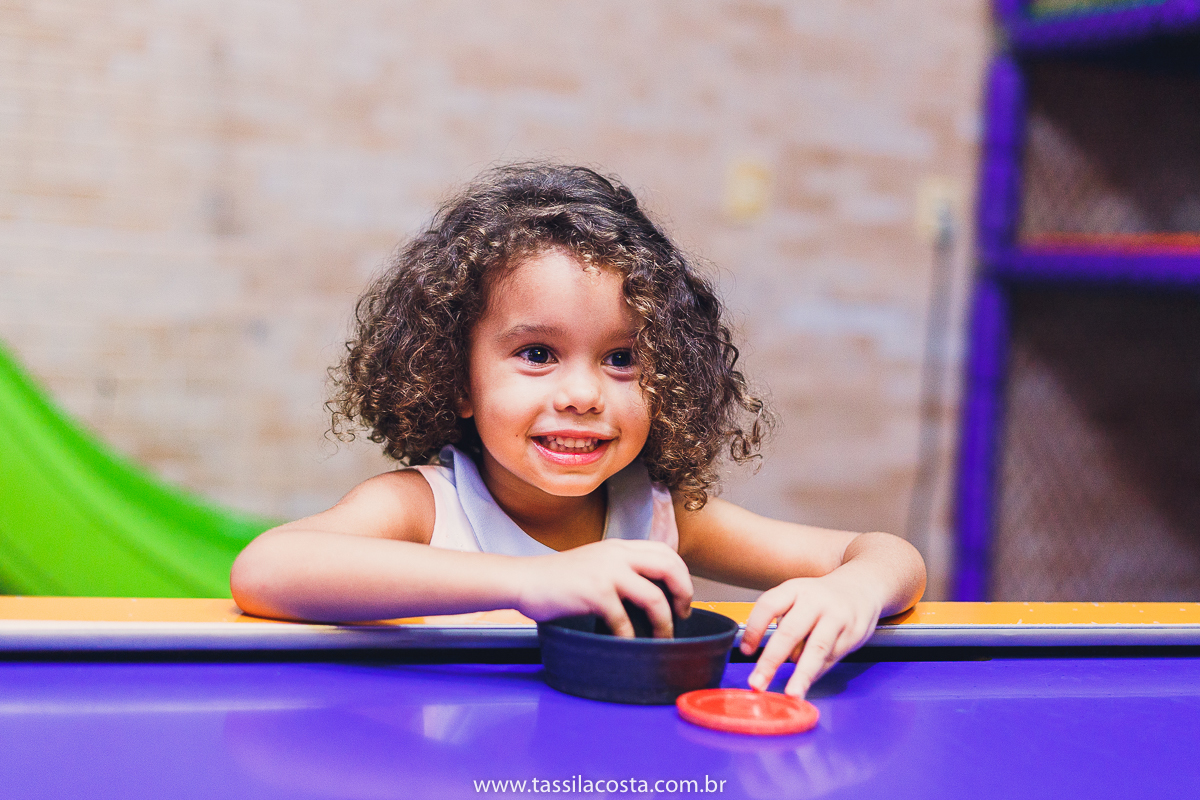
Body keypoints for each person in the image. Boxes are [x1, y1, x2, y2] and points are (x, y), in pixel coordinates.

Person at [231, 163, 925, 698]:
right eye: (537, 354)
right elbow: (266, 570)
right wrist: (529, 582)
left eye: (622, 359)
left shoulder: (658, 514)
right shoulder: (422, 507)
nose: (585, 394)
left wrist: (854, 592)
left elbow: (887, 554)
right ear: (456, 378)